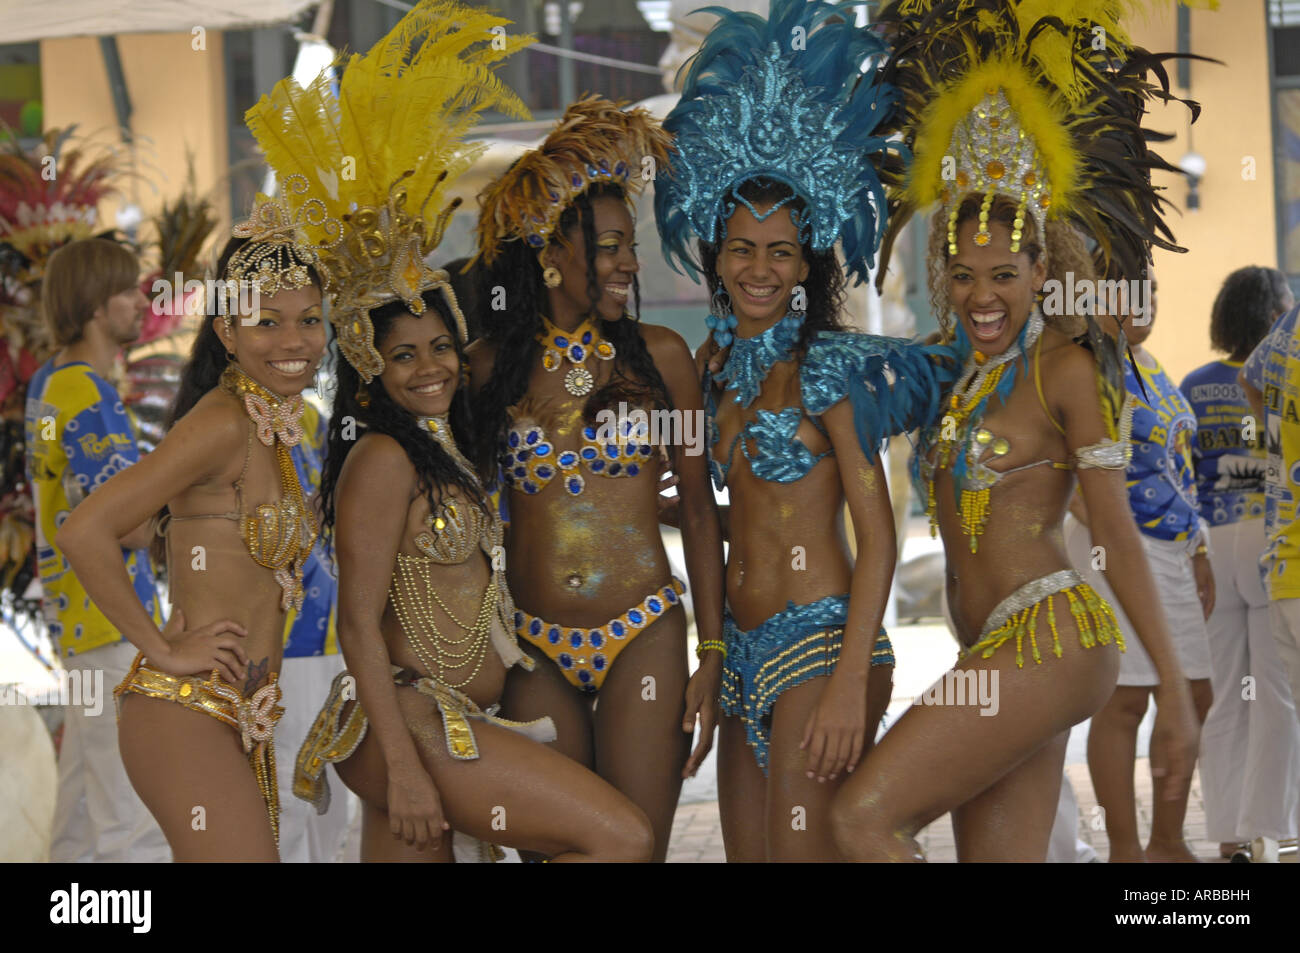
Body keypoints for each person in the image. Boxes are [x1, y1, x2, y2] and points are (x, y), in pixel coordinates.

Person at [248, 0, 653, 861]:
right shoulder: (385, 458)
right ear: (370, 367)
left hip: (454, 718)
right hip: (411, 724)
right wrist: (405, 765)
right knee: (619, 836)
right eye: (403, 356)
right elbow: (357, 623)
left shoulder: (445, 443)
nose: (430, 368)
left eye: (440, 345)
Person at [831, 0, 1199, 862]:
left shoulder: (1062, 367)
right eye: (962, 275)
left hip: (1051, 637)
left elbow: (1113, 532)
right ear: (941, 273)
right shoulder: (953, 372)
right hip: (995, 647)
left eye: (1004, 273)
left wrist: (1175, 690)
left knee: (861, 818)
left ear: (1042, 269)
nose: (981, 295)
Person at [655, 0, 947, 861]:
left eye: (781, 252)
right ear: (714, 255)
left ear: (808, 262)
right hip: (742, 651)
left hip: (821, 642)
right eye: (742, 248)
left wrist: (853, 681)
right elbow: (722, 513)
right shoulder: (708, 375)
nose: (759, 268)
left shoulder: (825, 372)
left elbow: (879, 536)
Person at [468, 96, 725, 861]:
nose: (628, 264)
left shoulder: (663, 359)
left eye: (628, 245)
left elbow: (703, 513)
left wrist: (711, 652)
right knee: (561, 846)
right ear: (552, 252)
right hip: (532, 645)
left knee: (635, 846)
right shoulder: (487, 368)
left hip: (643, 630)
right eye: (609, 247)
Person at [57, 192, 329, 861]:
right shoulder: (223, 421)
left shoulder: (278, 425)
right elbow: (85, 529)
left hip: (242, 712)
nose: (293, 341)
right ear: (228, 333)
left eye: (310, 320)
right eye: (267, 321)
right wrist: (165, 647)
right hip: (184, 706)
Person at [23, 237, 168, 862]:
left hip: (79, 621)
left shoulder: (47, 384)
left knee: (83, 807)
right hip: (112, 617)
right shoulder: (89, 394)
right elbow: (127, 524)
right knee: (131, 813)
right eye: (126, 290)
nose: (141, 302)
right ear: (92, 304)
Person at [1065, 273, 1215, 863]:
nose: (1143, 302)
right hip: (1114, 549)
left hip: (1174, 548)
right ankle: (1129, 851)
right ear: (1092, 297)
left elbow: (1178, 466)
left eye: (1149, 289)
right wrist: (1102, 526)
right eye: (1125, 291)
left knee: (1194, 693)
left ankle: (1167, 841)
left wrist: (1198, 548)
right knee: (1124, 700)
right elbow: (1065, 467)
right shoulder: (1082, 364)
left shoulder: (1148, 366)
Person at [1185, 266, 1299, 863]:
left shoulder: (1193, 384)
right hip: (1269, 537)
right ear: (1270, 310)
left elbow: (1186, 469)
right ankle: (1271, 832)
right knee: (1276, 696)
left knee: (1226, 694)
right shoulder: (1281, 369)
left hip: (1211, 539)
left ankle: (1228, 833)